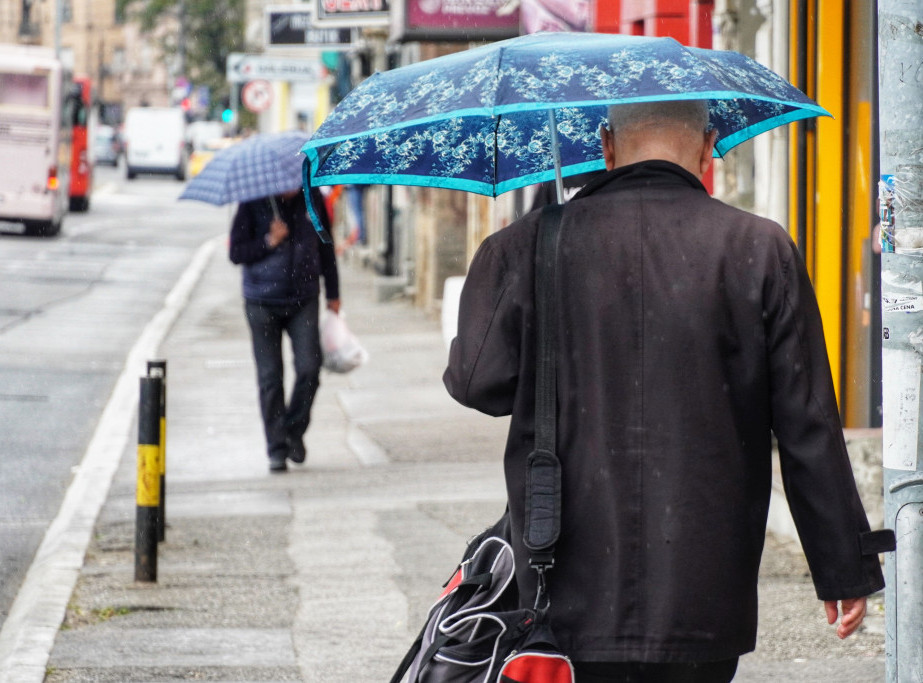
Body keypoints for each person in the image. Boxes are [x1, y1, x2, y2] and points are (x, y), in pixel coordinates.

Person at [443, 100, 891, 682]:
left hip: (563, 585)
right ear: (708, 148)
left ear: (605, 146)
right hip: (704, 589)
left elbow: (478, 384)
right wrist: (842, 569)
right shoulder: (759, 249)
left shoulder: (525, 246)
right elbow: (808, 426)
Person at [229, 187, 339, 473]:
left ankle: (293, 431)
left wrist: (333, 292)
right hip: (261, 302)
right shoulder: (253, 200)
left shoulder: (312, 198)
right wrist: (269, 240)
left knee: (309, 369)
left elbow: (326, 244)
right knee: (270, 378)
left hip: (303, 298)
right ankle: (277, 448)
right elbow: (236, 252)